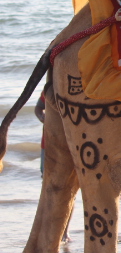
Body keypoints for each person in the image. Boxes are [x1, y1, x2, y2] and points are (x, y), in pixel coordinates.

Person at [35, 93, 72, 243]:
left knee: (69, 188)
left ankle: (64, 231)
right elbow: (38, 108)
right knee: (48, 187)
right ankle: (48, 231)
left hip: (68, 144)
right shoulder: (49, 91)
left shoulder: (73, 90)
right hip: (48, 144)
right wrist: (42, 117)